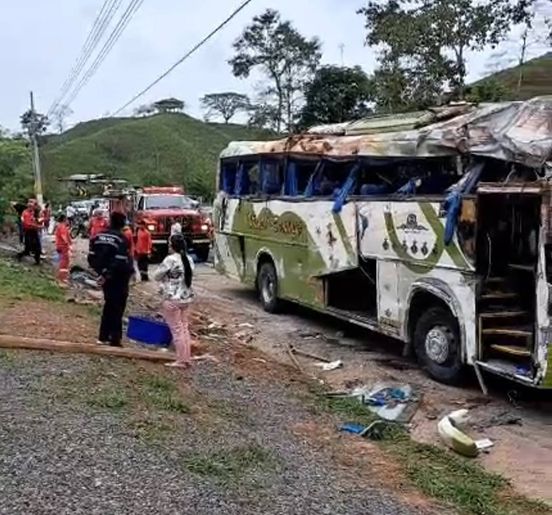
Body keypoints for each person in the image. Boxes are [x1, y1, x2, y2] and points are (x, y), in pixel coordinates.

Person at [88, 212, 134, 347]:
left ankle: (103, 336)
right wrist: (107, 274)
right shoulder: (121, 239)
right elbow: (119, 261)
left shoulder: (97, 237)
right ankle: (115, 338)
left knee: (109, 304)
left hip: (106, 278)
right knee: (118, 307)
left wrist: (101, 273)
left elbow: (91, 258)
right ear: (122, 223)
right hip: (118, 278)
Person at [153, 234, 194, 368]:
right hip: (186, 297)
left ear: (172, 246)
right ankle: (186, 358)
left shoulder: (170, 260)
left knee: (176, 330)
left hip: (172, 298)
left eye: (169, 244)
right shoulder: (189, 259)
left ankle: (181, 360)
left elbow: (156, 276)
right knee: (184, 328)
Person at [17, 199, 42, 265]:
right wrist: (37, 226)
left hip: (34, 231)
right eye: (30, 203)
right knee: (28, 248)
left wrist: (39, 223)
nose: (31, 205)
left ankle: (37, 261)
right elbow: (27, 224)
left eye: (33, 203)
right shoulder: (25, 213)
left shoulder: (33, 212)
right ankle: (20, 256)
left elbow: (38, 220)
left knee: (38, 248)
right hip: (28, 232)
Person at [54, 214, 72, 284]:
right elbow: (63, 236)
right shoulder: (62, 227)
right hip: (63, 246)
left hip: (60, 246)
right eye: (67, 219)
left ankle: (62, 276)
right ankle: (62, 278)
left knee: (63, 261)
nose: (68, 221)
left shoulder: (61, 226)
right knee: (64, 262)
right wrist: (68, 244)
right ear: (64, 219)